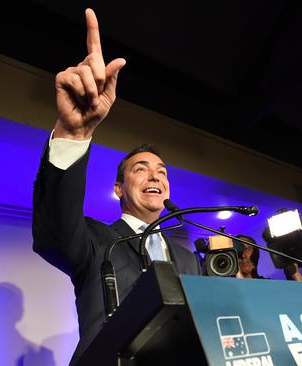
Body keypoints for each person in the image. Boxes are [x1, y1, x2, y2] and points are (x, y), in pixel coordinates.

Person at [31, 8, 201, 364]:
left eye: (162, 172)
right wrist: (74, 134)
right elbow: (53, 230)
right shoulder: (95, 242)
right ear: (119, 188)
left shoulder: (188, 259)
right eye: (141, 169)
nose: (155, 176)